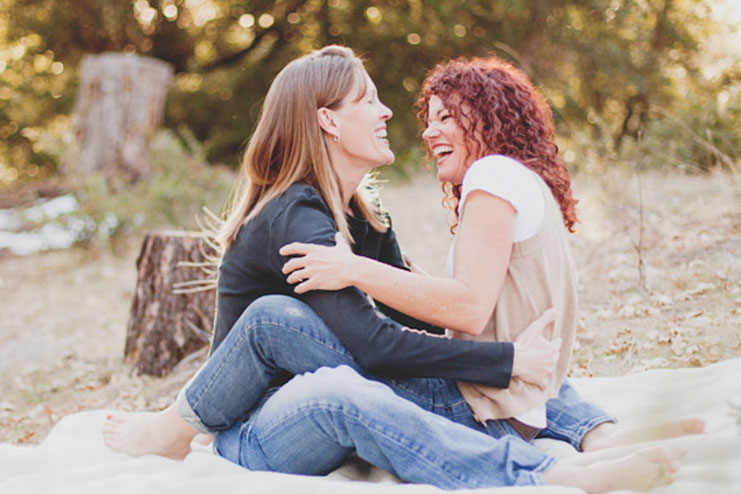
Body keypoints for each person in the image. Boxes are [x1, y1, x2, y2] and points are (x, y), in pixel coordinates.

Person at [103, 47, 693, 492]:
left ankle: (595, 432)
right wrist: (506, 360)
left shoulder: (367, 214)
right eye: (368, 101)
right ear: (329, 121)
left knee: (465, 354)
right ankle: (541, 475)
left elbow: (414, 334)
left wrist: (503, 356)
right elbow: (376, 347)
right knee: (283, 325)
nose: (387, 112)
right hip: (262, 429)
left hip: (347, 386)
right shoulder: (293, 214)